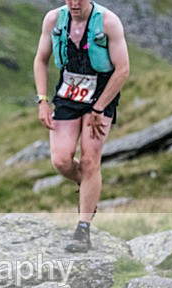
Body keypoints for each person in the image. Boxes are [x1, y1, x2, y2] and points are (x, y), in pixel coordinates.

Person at [33, 0, 130, 252]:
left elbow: (123, 69)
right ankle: (89, 187)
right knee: (61, 160)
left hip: (101, 95)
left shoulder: (109, 22)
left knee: (89, 161)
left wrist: (99, 107)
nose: (74, 3)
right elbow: (40, 59)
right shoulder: (54, 20)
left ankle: (83, 228)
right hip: (68, 95)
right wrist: (42, 100)